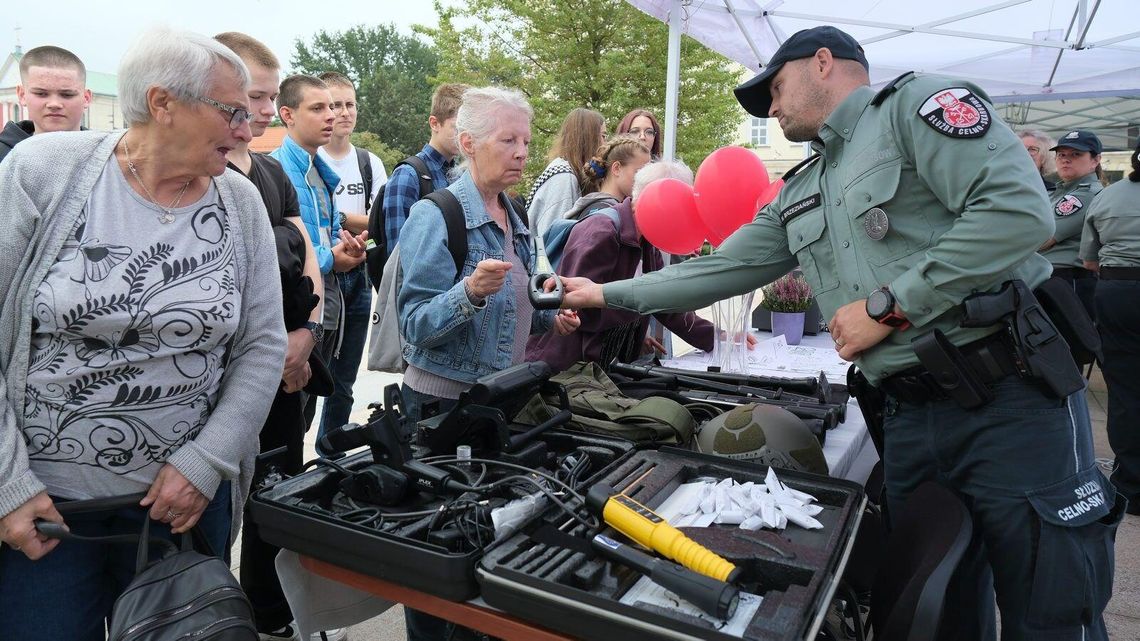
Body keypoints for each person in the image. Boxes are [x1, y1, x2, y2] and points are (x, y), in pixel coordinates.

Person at [559, 25, 1118, 641]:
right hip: (909, 416)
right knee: (936, 608)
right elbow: (718, 269)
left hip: (1009, 400)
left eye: (775, 88)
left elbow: (1017, 213)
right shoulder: (805, 185)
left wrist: (887, 308)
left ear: (823, 62)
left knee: (1051, 604)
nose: (770, 109)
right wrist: (603, 293)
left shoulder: (916, 108)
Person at [0, 28, 286, 641]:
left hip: (180, 511)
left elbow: (263, 344)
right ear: (163, 103)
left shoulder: (239, 202)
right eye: (232, 112)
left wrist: (206, 462)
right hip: (48, 514)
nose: (247, 130)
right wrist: (7, 484)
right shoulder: (42, 171)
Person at [397, 86, 580, 641]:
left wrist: (551, 317)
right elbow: (414, 324)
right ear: (468, 143)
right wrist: (469, 293)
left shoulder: (515, 213)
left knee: (481, 538)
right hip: (440, 408)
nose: (522, 151)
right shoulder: (437, 215)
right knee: (435, 553)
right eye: (508, 140)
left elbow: (515, 311)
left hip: (494, 403)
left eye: (526, 139)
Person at [214, 33, 346, 641]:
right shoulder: (205, 174)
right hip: (221, 373)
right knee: (213, 506)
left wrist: (306, 334)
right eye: (254, 96)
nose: (265, 110)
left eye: (270, 97)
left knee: (276, 490)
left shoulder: (270, 172)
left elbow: (307, 258)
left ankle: (270, 615)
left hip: (287, 363)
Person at [527, 154, 720, 372]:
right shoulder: (602, 231)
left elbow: (665, 302)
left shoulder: (647, 239)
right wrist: (639, 303)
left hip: (602, 368)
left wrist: (717, 337)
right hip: (568, 370)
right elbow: (579, 310)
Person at [270, 75, 369, 431]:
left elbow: (321, 238)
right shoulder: (277, 170)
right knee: (289, 416)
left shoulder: (317, 172)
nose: (331, 115)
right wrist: (331, 258)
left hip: (327, 303)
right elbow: (287, 252)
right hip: (298, 312)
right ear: (288, 115)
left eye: (333, 106)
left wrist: (345, 248)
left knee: (308, 412)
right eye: (318, 108)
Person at [315, 71, 387, 456]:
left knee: (344, 382)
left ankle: (331, 456)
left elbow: (381, 224)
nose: (344, 112)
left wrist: (348, 224)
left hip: (358, 276)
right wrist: (351, 222)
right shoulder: (312, 160)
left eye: (350, 104)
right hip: (323, 277)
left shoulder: (368, 163)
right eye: (335, 105)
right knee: (309, 377)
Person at [1081, 140, 1140, 517]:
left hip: (1118, 293)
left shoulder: (1107, 196)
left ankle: (1131, 485)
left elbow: (1089, 261)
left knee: (1125, 390)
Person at [381, 82, 467, 250]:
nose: (464, 136)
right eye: (457, 128)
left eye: (468, 129)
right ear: (434, 123)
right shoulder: (408, 175)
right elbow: (398, 253)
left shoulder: (462, 175)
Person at [1042, 130, 1104, 321]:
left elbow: (1042, 239)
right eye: (1061, 154)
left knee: (1068, 337)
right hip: (1055, 279)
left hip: (1067, 280)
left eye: (1076, 154)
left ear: (1095, 160)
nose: (1066, 160)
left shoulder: (1085, 194)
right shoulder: (1061, 191)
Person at [0, 45, 91, 162]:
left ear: (86, 98)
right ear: (22, 95)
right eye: (41, 94)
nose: (54, 104)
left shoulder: (109, 159)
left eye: (67, 94)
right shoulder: (3, 157)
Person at [526, 107, 605, 237]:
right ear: (588, 139)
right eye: (603, 136)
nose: (605, 143)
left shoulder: (567, 172)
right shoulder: (563, 177)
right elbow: (551, 238)